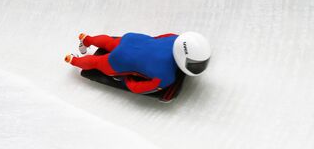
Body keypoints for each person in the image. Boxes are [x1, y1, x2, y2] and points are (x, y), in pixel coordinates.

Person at [65, 31, 211, 94]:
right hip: (121, 59)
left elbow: (159, 37)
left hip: (133, 39)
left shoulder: (175, 37)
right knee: (97, 63)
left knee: (110, 42)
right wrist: (126, 80)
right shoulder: (166, 77)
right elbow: (137, 88)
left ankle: (87, 39)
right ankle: (73, 59)